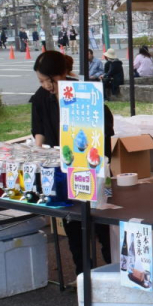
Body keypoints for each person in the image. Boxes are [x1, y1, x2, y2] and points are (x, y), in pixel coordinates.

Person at [30, 50, 114, 274]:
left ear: (62, 74)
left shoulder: (84, 92)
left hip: (92, 167)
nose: (46, 85)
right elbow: (38, 129)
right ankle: (83, 274)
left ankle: (111, 270)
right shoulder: (41, 97)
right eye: (41, 81)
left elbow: (104, 126)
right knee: (73, 224)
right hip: (62, 170)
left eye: (48, 80)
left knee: (103, 223)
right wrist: (38, 154)